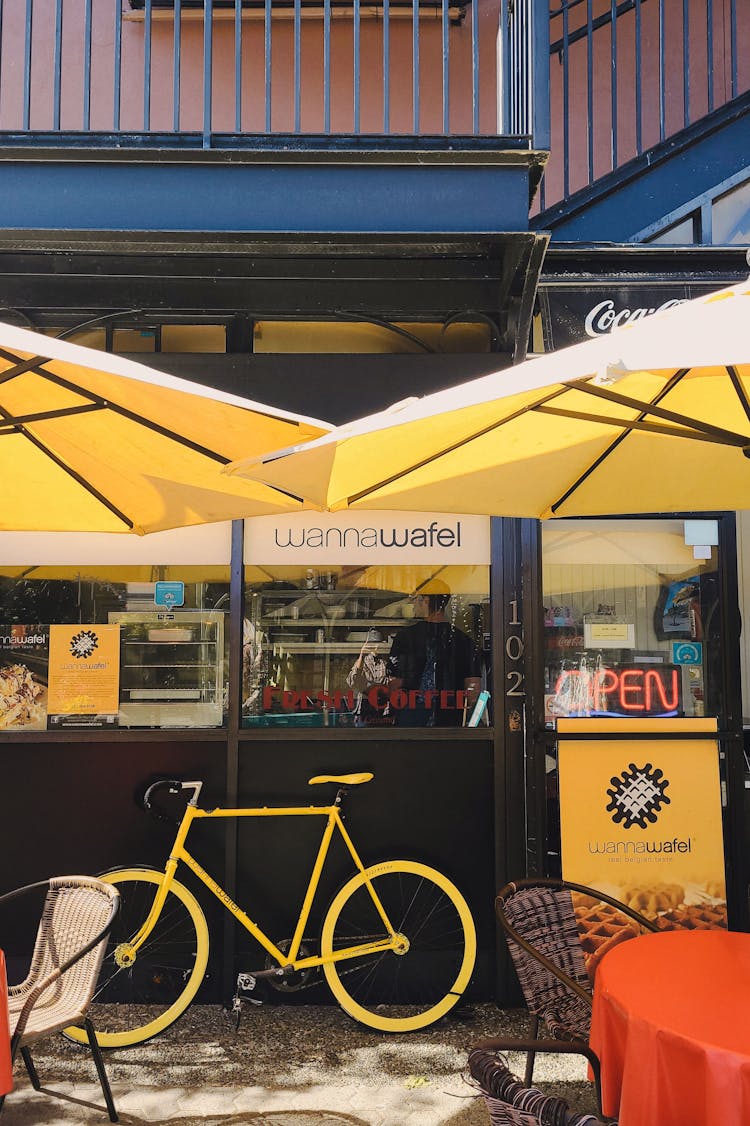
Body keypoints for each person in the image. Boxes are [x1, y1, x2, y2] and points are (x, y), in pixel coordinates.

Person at [386, 584, 481, 727]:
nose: (412, 603)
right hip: (450, 717)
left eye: (416, 598)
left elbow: (394, 684)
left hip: (410, 714)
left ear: (426, 600)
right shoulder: (464, 640)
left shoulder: (405, 637)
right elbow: (473, 690)